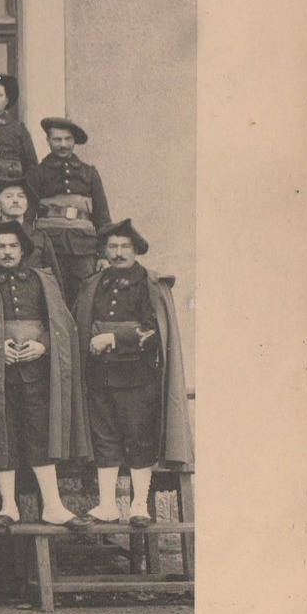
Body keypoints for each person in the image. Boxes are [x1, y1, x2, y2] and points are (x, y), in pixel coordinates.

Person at [0, 221, 87, 528]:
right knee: (3, 435)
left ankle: (53, 506)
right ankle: (8, 507)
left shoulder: (42, 280)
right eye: (0, 246)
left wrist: (43, 346)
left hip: (36, 372)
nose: (7, 252)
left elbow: (61, 324)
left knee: (40, 434)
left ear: (22, 249)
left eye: (13, 246)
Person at [73, 220, 192, 526]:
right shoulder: (94, 283)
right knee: (105, 439)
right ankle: (106, 506)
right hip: (99, 374)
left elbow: (155, 333)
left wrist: (114, 338)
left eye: (125, 246)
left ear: (136, 249)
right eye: (112, 247)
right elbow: (82, 322)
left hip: (137, 376)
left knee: (139, 439)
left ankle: (140, 505)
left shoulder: (150, 284)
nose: (118, 253)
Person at [30, 117, 113, 306]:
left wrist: (103, 255)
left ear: (74, 141)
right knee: (52, 297)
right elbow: (28, 216)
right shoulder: (37, 173)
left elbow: (102, 217)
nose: (63, 144)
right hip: (50, 246)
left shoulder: (89, 173)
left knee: (85, 299)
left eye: (68, 139)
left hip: (84, 247)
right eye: (57, 139)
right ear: (48, 141)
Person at [0, 177, 60, 274]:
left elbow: (53, 280)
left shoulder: (41, 239)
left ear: (27, 204)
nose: (15, 200)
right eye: (8, 196)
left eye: (21, 196)